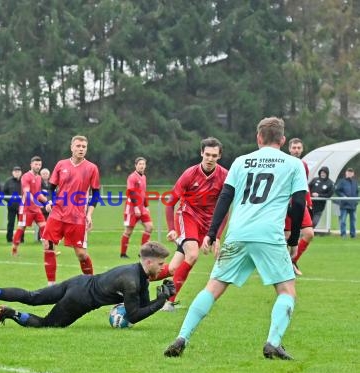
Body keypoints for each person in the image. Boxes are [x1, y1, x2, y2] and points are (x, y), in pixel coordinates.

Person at [164, 116, 308, 360]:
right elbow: (299, 204)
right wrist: (293, 241)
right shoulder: (293, 164)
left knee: (213, 287)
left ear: (258, 138)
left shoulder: (241, 162)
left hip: (238, 233)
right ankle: (273, 342)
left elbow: (225, 198)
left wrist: (211, 233)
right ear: (283, 140)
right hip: (269, 235)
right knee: (286, 291)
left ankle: (182, 336)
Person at [0, 242, 175, 328]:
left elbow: (143, 304)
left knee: (32, 296)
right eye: (161, 263)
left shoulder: (136, 274)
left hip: (78, 282)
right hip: (79, 300)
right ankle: (10, 313)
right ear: (148, 262)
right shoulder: (132, 282)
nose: (163, 267)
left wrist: (158, 299)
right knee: (46, 325)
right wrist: (162, 301)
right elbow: (135, 315)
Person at [156, 137, 228, 312]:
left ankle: (140, 277)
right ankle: (167, 302)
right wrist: (172, 228)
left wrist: (216, 236)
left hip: (207, 222)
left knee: (173, 268)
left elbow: (225, 209)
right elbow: (171, 202)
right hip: (187, 216)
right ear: (201, 153)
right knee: (193, 255)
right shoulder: (190, 173)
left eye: (214, 155)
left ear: (219, 156)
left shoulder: (225, 176)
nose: (210, 159)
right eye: (207, 154)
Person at [41, 135, 101, 285]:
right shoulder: (61, 165)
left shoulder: (92, 168)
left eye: (84, 147)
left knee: (81, 254)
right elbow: (51, 187)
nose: (81, 149)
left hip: (77, 217)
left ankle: (91, 284)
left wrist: (89, 214)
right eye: (78, 146)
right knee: (47, 244)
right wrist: (50, 201)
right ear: (72, 147)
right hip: (57, 213)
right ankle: (51, 285)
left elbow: (96, 193)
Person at [284, 137, 314, 276]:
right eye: (294, 148)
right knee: (286, 236)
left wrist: (309, 202)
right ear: (289, 149)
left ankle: (293, 260)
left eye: (298, 148)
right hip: (285, 204)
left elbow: (304, 185)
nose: (296, 150)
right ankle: (283, 266)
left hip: (300, 203)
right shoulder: (284, 163)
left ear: (302, 149)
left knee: (309, 233)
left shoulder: (304, 165)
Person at [11, 156, 47, 256]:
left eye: (39, 164)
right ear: (31, 165)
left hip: (36, 208)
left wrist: (47, 202)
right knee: (21, 228)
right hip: (26, 208)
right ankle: (14, 248)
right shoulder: (26, 176)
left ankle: (48, 249)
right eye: (36, 164)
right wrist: (37, 202)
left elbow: (38, 193)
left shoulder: (39, 177)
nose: (38, 166)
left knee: (44, 226)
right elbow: (27, 193)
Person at [120, 157, 153, 258]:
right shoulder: (132, 177)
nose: (142, 166)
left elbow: (143, 193)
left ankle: (143, 253)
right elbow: (131, 192)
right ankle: (123, 253)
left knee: (149, 227)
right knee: (128, 231)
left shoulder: (144, 177)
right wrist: (135, 207)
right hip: (132, 209)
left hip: (142, 208)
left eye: (143, 164)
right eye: (140, 164)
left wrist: (146, 206)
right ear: (136, 165)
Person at [335, 167, 358, 238]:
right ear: (346, 173)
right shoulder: (342, 181)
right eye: (348, 172)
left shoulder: (355, 182)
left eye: (351, 172)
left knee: (353, 221)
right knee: (343, 221)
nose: (349, 173)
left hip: (353, 205)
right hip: (344, 205)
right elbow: (337, 190)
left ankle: (353, 234)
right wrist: (343, 196)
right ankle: (343, 234)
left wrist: (356, 201)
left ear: (353, 174)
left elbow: (357, 192)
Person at [3, 166, 22, 242]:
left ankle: (20, 239)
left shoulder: (23, 181)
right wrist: (9, 201)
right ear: (12, 172)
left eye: (18, 171)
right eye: (15, 172)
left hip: (21, 207)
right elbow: (4, 193)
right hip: (11, 207)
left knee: (21, 224)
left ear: (21, 173)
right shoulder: (8, 181)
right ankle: (9, 239)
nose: (17, 173)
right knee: (10, 223)